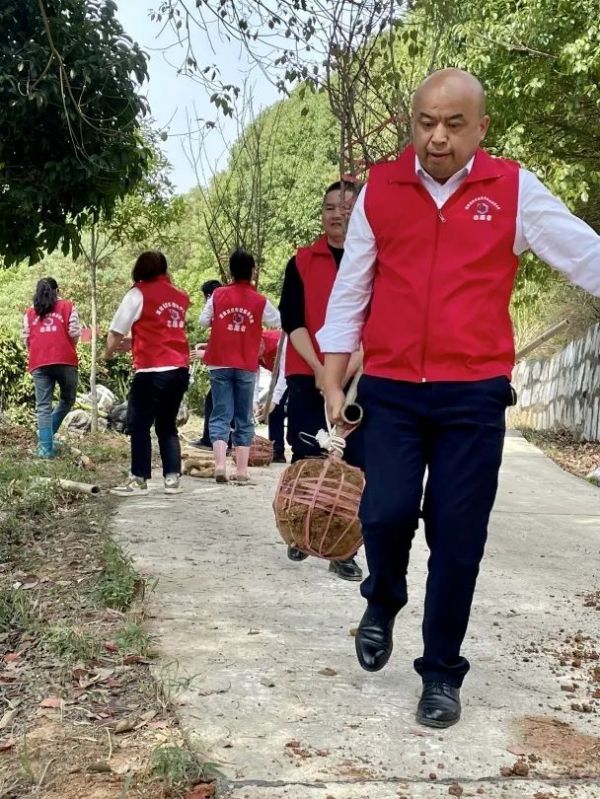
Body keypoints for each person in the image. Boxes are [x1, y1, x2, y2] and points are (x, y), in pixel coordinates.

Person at [318, 68, 600, 729]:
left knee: (458, 537)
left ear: (480, 127)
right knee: (384, 514)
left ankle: (441, 671)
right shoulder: (381, 190)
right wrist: (333, 378)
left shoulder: (512, 188)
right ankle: (382, 597)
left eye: (452, 124)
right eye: (425, 123)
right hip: (389, 388)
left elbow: (584, 252)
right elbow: (352, 289)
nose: (437, 137)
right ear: (411, 122)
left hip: (472, 395)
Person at [279, 180, 364, 582]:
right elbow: (292, 320)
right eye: (330, 207)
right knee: (308, 451)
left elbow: (382, 322)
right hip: (306, 368)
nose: (337, 214)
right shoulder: (301, 261)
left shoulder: (375, 257)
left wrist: (347, 369)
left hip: (363, 373)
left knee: (355, 461)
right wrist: (318, 367)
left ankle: (344, 547)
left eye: (347, 206)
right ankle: (301, 530)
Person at [104, 251, 190, 496]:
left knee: (139, 424)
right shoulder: (179, 295)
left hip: (151, 370)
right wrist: (133, 341)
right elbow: (161, 330)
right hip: (178, 370)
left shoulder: (137, 293)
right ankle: (172, 479)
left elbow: (116, 331)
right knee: (167, 424)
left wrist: (107, 354)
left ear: (140, 269)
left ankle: (139, 478)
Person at [200, 249, 280, 483]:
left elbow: (203, 320)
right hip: (246, 363)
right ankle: (242, 470)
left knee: (220, 413)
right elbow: (280, 320)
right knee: (243, 415)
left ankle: (220, 465)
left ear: (230, 271)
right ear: (252, 271)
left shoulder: (217, 295)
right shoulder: (260, 300)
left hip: (218, 361)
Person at [23, 277, 80, 458]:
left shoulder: (31, 312)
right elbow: (74, 332)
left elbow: (26, 338)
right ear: (57, 290)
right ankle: (47, 438)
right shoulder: (68, 306)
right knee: (68, 399)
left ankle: (45, 448)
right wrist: (69, 345)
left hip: (39, 362)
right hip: (65, 360)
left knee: (43, 407)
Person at [189, 279, 224, 450]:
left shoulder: (217, 309)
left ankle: (213, 441)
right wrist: (207, 346)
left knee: (216, 403)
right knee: (215, 401)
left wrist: (206, 353)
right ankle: (211, 439)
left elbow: (226, 343)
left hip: (224, 366)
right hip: (233, 365)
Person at [256, 329, 288, 463]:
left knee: (291, 406)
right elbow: (253, 372)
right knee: (274, 411)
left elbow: (284, 371)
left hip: (290, 370)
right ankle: (277, 450)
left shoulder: (277, 341)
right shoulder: (251, 348)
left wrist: (275, 399)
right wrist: (254, 401)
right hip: (277, 376)